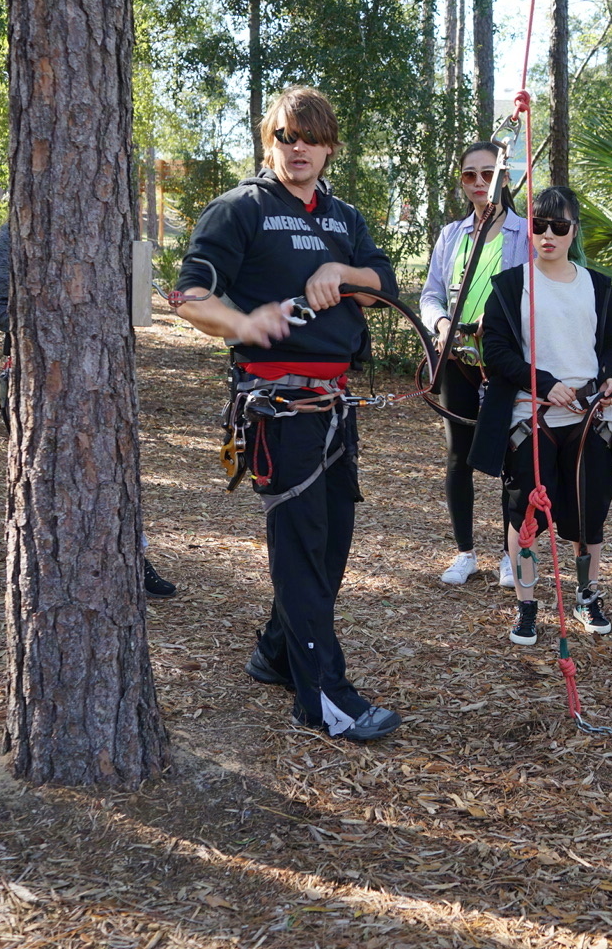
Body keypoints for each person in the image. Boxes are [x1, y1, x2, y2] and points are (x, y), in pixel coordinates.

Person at [171, 85, 402, 743]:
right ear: (268, 142)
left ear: (329, 146)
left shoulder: (344, 218)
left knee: (328, 546)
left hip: (336, 404)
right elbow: (188, 298)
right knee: (301, 550)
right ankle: (323, 696)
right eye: (284, 136)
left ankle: (276, 652)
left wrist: (342, 271)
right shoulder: (240, 210)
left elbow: (383, 286)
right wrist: (245, 319)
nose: (296, 147)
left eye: (310, 137)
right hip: (278, 406)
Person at [0, 223, 179, 600]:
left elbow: (135, 309)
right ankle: (49, 576)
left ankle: (132, 559)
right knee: (45, 489)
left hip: (101, 384)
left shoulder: (110, 228)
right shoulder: (15, 232)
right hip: (34, 387)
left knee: (111, 478)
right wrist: (58, 332)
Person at [469, 186, 612, 645]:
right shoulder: (510, 286)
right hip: (529, 417)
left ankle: (587, 595)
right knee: (525, 519)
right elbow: (496, 350)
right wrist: (542, 382)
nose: (548, 235)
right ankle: (526, 605)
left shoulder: (597, 287)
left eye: (559, 226)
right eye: (539, 225)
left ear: (573, 230)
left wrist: (609, 375)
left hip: (588, 417)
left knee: (589, 514)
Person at [419, 142, 530, 589]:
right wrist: (441, 321)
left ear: (504, 176)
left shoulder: (526, 233)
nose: (480, 183)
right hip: (456, 361)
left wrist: (500, 320)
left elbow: (538, 292)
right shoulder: (451, 235)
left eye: (489, 173)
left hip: (504, 363)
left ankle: (510, 554)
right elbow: (430, 294)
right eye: (470, 175)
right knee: (458, 456)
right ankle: (465, 552)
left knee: (509, 457)